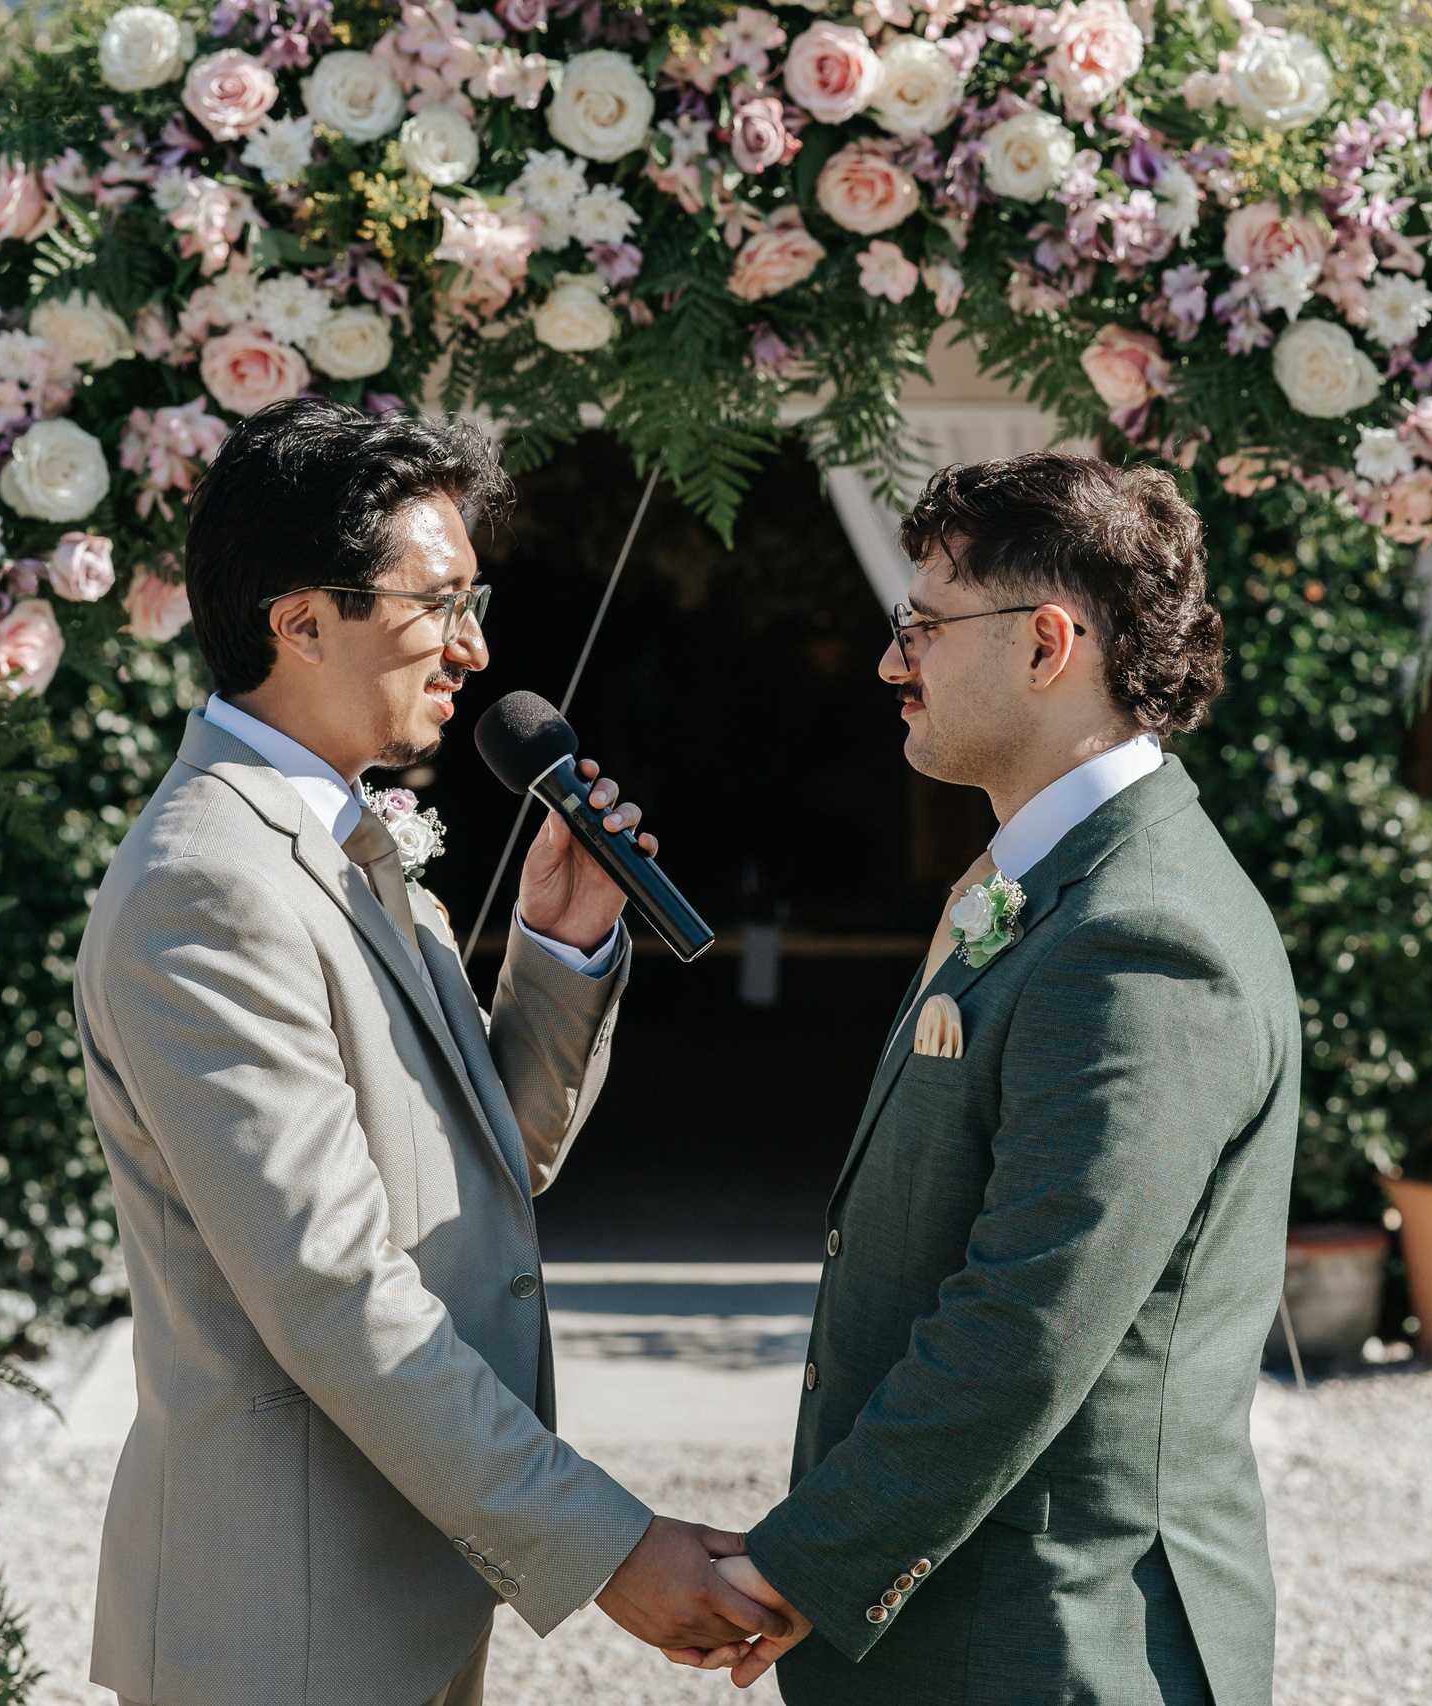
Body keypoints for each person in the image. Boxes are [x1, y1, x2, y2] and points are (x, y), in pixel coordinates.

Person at [74, 397, 784, 1706]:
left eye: (476, 596)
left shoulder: (348, 843)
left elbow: (469, 1178)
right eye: (439, 601)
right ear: (301, 621)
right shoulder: (208, 885)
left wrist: (560, 957)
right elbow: (334, 1290)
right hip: (285, 1630)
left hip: (392, 1592)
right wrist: (611, 1545)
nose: (476, 644)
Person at [692, 453, 1300, 1705]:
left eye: (919, 624)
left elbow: (1029, 1316)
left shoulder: (1143, 935)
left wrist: (802, 1563)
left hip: (1048, 1642)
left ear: (1046, 644)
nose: (886, 660)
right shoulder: (1063, 882)